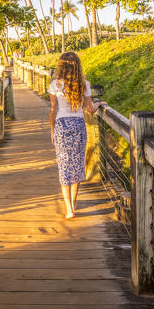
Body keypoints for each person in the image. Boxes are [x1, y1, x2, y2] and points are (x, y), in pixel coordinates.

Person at [48, 52, 106, 219]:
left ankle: (69, 209)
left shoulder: (55, 85)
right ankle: (74, 202)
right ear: (77, 66)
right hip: (79, 126)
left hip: (62, 126)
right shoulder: (84, 84)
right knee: (77, 164)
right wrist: (99, 103)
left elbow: (53, 111)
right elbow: (89, 109)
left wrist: (52, 130)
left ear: (61, 66)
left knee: (64, 165)